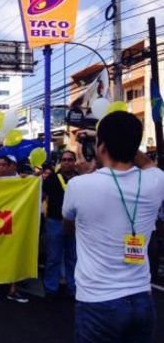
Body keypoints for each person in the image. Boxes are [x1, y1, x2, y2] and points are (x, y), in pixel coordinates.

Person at [63, 112, 164, 342]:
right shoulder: (156, 181)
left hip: (97, 302)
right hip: (141, 299)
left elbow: (68, 227)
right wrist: (115, 140)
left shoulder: (78, 185)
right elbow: (147, 163)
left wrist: (86, 171)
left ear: (101, 147)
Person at [0, 155, 28, 304]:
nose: (1, 167)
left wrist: (29, 179)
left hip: (15, 223)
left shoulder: (22, 181)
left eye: (4, 164)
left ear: (12, 166)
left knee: (14, 255)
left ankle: (13, 289)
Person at [43, 151, 77, 299]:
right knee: (53, 257)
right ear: (60, 162)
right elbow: (41, 195)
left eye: (70, 159)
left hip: (76, 224)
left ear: (74, 162)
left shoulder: (80, 179)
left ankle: (74, 287)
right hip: (55, 222)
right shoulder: (51, 178)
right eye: (64, 160)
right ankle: (51, 288)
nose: (67, 162)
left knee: (73, 257)